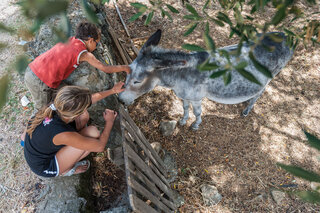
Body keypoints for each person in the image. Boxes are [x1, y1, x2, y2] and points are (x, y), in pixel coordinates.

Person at [23, 84, 124, 177]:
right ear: (74, 114)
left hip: (39, 148)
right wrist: (109, 121)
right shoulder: (62, 134)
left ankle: (67, 156)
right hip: (46, 165)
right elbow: (100, 146)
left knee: (85, 117)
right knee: (92, 133)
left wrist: (112, 90)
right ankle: (66, 170)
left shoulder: (57, 105)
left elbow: (90, 99)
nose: (86, 107)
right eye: (84, 107)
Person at [24, 21, 130, 109]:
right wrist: (125, 67)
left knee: (69, 96)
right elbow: (105, 68)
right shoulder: (84, 54)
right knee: (41, 111)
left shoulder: (72, 40)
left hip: (33, 68)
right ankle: (29, 133)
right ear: (90, 40)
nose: (96, 47)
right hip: (40, 79)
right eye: (97, 44)